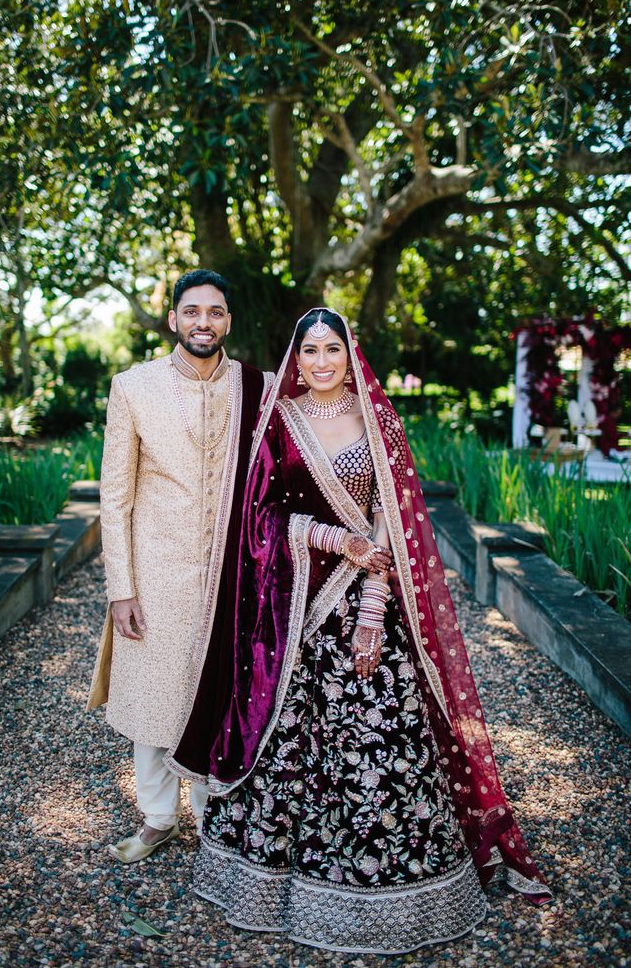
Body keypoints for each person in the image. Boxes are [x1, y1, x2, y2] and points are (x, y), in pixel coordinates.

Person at [169, 308, 551, 956]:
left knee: (379, 745)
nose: (321, 362)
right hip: (293, 616)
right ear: (298, 357)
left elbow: (391, 522)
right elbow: (260, 520)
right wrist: (329, 538)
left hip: (363, 610)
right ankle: (271, 888)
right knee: (286, 747)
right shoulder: (279, 423)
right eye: (311, 351)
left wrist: (373, 612)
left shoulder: (379, 422)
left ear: (351, 356)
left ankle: (395, 895)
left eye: (332, 351)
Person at [87, 269, 272, 863]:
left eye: (215, 312)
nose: (203, 322)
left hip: (234, 572)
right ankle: (158, 817)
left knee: (223, 691)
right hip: (156, 571)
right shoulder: (133, 386)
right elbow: (114, 498)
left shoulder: (257, 388)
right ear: (173, 319)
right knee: (153, 698)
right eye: (192, 311)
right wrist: (122, 589)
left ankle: (216, 817)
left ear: (228, 322)